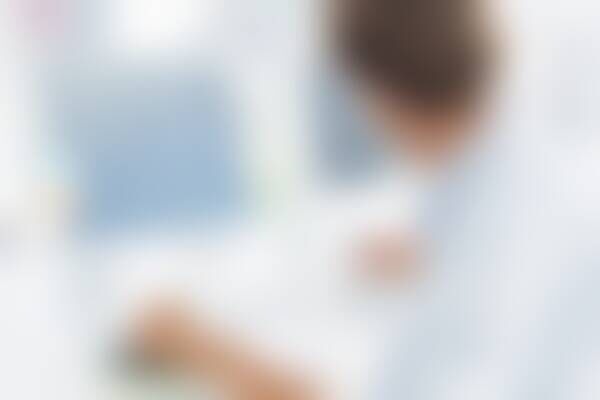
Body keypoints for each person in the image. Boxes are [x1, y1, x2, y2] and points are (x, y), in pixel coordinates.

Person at [134, 0, 600, 399]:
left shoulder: (494, 255)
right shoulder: (524, 171)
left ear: (378, 96)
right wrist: (434, 247)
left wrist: (202, 350)